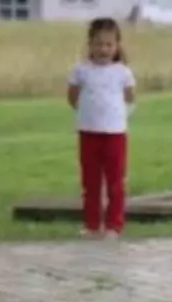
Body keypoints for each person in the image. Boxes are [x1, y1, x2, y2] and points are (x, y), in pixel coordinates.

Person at [66, 17, 136, 239]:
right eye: (98, 44)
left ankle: (114, 225)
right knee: (91, 181)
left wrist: (118, 116)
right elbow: (73, 96)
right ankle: (92, 224)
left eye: (109, 44)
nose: (103, 49)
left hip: (115, 134)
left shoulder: (122, 72)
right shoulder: (81, 71)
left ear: (116, 46)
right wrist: (86, 112)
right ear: (90, 45)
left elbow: (130, 98)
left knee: (115, 181)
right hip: (88, 133)